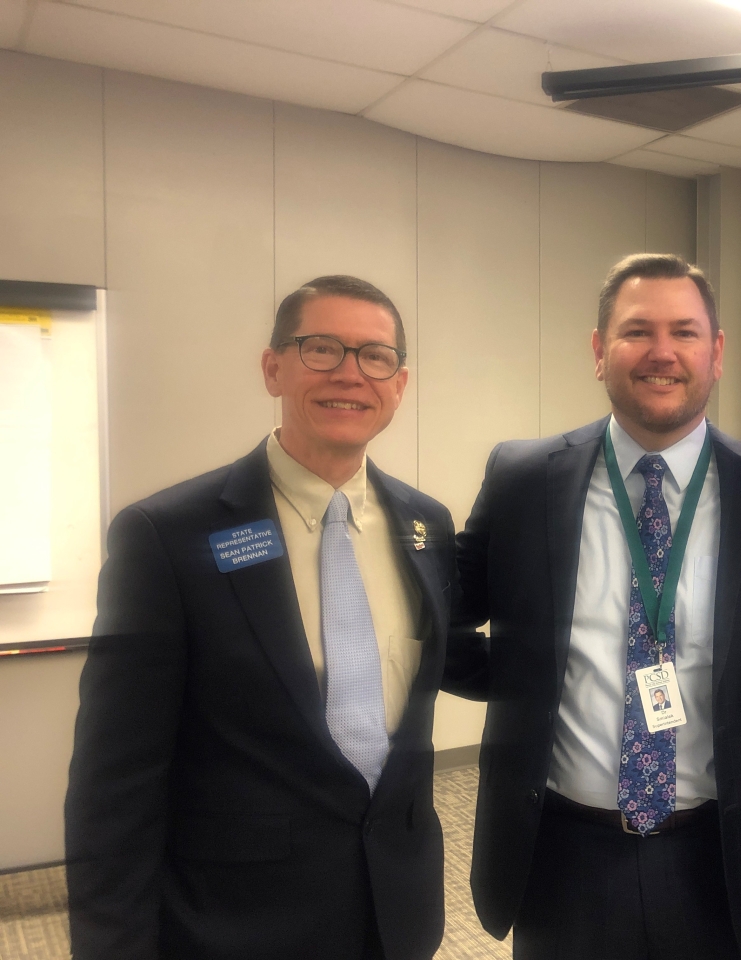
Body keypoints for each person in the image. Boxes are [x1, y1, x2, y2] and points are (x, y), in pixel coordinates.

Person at [65, 276, 467, 960]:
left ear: (399, 384)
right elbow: (115, 785)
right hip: (236, 924)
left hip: (396, 913)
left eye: (374, 356)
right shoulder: (167, 536)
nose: (349, 373)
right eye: (321, 349)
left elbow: (442, 662)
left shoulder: (424, 524)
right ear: (272, 367)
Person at [451, 253, 741, 960]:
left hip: (727, 854)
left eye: (684, 332)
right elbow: (442, 616)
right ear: (598, 351)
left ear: (715, 354)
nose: (661, 352)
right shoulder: (524, 479)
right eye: (636, 331)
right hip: (564, 855)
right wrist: (518, 680)